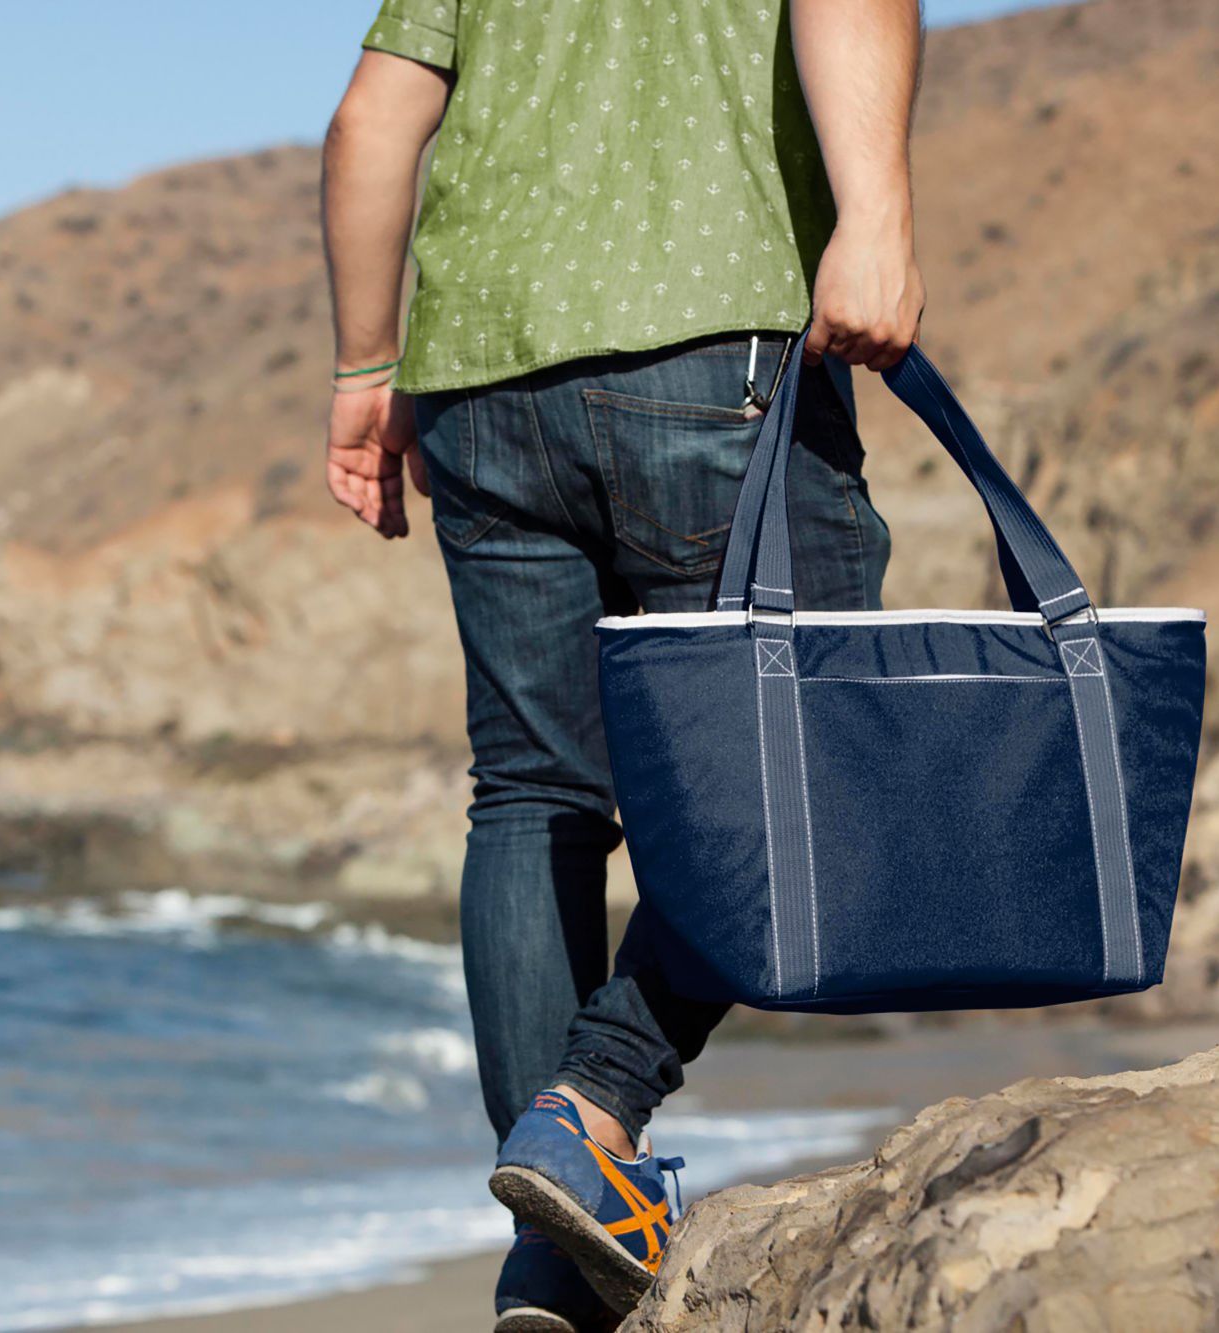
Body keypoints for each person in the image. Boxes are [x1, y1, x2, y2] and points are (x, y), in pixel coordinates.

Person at [321, 1, 924, 1325]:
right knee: (815, 757)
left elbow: (373, 117)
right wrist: (873, 219)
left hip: (480, 382)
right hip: (717, 345)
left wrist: (365, 364)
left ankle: (555, 1253)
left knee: (534, 792)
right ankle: (595, 1101)